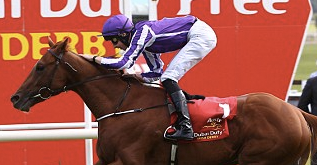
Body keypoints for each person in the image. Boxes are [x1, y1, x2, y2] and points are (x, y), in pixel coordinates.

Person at [79, 14, 217, 141]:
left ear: (123, 34)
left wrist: (94, 58)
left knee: (169, 78)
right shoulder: (146, 41)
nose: (115, 46)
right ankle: (184, 120)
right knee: (167, 77)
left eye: (114, 40)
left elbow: (123, 63)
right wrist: (138, 77)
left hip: (200, 35)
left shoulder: (143, 32)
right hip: (198, 33)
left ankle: (186, 127)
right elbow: (157, 72)